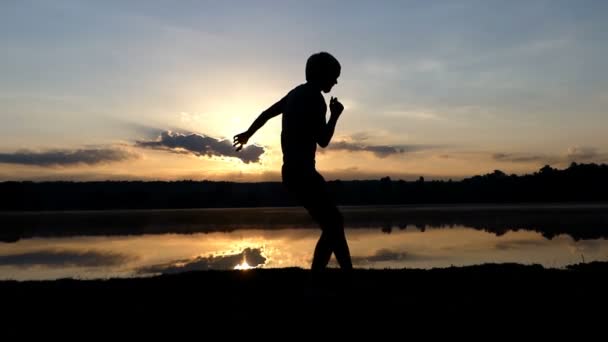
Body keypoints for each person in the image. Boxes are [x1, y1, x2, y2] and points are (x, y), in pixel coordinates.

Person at [233, 52, 352, 270]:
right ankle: (335, 278)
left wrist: (248, 133)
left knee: (332, 224)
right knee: (334, 223)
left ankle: (333, 276)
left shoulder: (295, 93)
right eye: (334, 76)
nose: (336, 81)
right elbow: (323, 140)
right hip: (303, 173)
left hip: (291, 173)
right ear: (322, 74)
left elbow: (267, 113)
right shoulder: (316, 99)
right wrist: (335, 115)